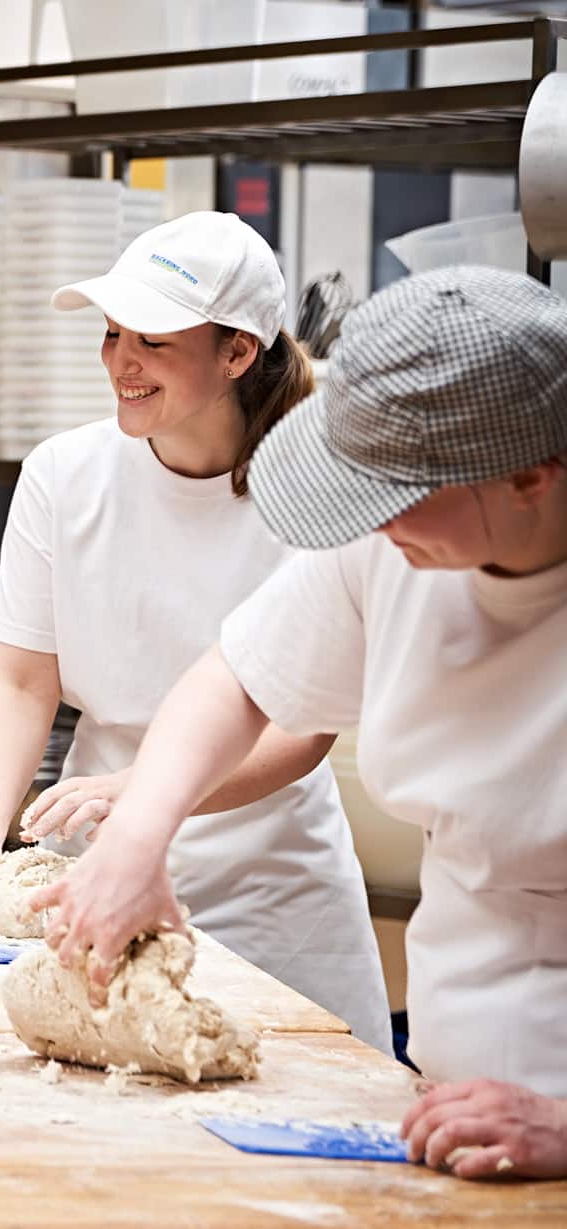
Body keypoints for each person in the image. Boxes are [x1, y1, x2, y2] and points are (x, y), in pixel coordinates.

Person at [34, 265, 567, 1181]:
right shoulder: (389, 547)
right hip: (447, 1097)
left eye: (395, 490)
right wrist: (138, 835)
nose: (368, 518)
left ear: (532, 477)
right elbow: (235, 681)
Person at [0, 211, 390, 1052]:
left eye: (154, 341)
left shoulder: (312, 489)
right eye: (112, 332)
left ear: (237, 353)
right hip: (102, 870)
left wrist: (144, 793)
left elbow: (299, 726)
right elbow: (19, 678)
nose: (121, 361)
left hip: (278, 886)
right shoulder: (65, 475)